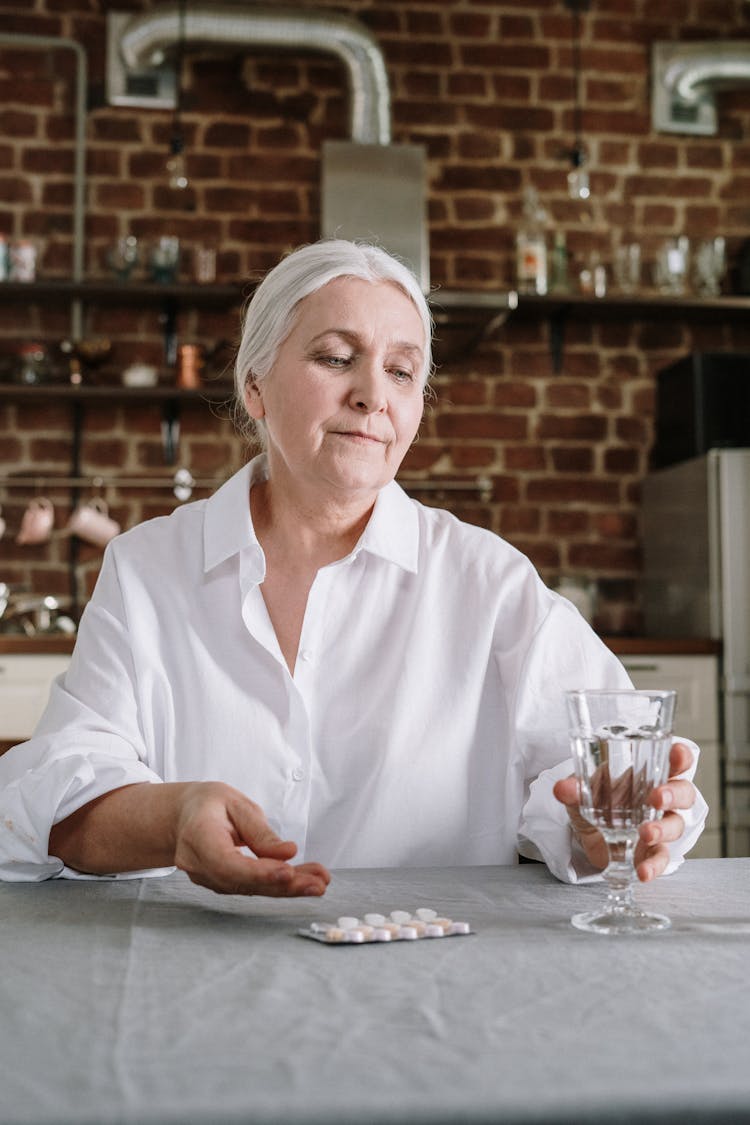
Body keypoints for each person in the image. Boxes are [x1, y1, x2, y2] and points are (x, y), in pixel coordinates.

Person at [0, 239, 705, 896]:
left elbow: (600, 777)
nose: (373, 393)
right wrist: (172, 819)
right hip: (195, 979)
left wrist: (603, 826)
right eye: (337, 357)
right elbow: (55, 795)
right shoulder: (147, 568)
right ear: (256, 386)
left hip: (430, 980)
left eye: (402, 370)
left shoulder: (487, 582)